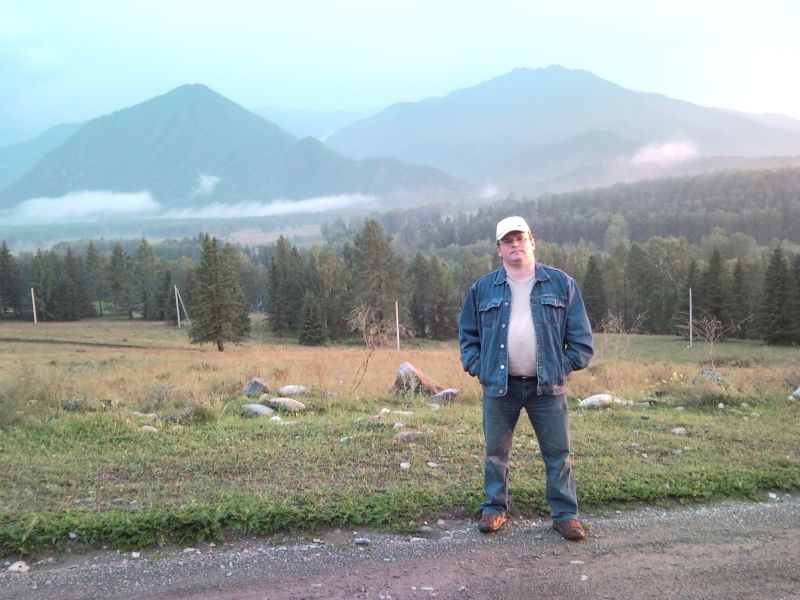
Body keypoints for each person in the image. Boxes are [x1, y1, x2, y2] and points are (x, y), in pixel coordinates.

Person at [458, 216, 593, 541]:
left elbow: (581, 342)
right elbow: (467, 336)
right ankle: (494, 508)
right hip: (499, 386)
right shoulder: (482, 288)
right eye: (508, 241)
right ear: (499, 248)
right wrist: (479, 366)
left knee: (558, 454)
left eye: (520, 239)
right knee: (495, 453)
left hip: (546, 387)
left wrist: (560, 367)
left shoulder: (561, 284)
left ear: (532, 241)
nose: (515, 245)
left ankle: (565, 515)